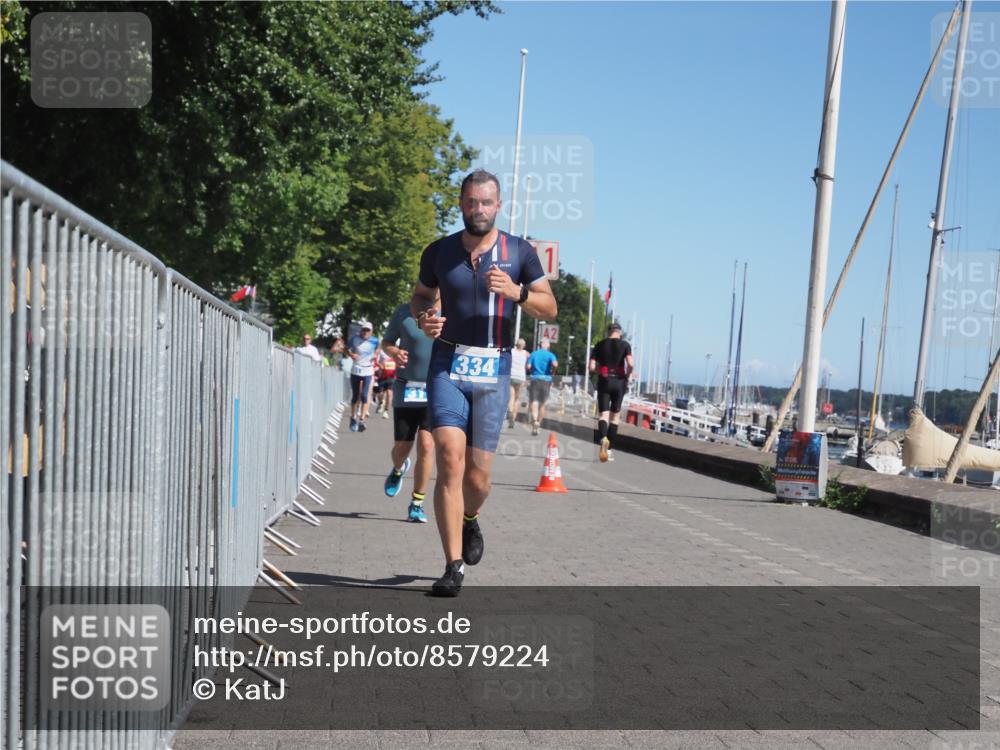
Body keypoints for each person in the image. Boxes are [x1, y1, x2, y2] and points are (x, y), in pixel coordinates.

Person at [410, 169, 557, 596]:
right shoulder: (439, 252)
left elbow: (550, 309)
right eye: (471, 202)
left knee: (479, 479)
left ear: (499, 205)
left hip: (493, 369)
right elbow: (420, 295)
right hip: (448, 363)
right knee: (449, 458)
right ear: (461, 203)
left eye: (486, 202)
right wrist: (424, 319)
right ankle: (452, 566)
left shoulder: (520, 252)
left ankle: (470, 518)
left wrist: (517, 293)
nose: (478, 210)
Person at [379, 302, 435, 522]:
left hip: (435, 388)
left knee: (427, 445)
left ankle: (417, 503)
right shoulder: (403, 311)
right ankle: (398, 467)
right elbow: (387, 343)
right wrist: (394, 352)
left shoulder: (450, 310)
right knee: (401, 449)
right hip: (407, 387)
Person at [589, 322, 634, 462]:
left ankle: (603, 438)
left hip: (604, 380)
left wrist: (599, 371)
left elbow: (591, 367)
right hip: (619, 382)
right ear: (619, 332)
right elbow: (631, 364)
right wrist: (627, 375)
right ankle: (608, 451)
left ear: (609, 332)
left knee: (603, 415)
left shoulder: (599, 345)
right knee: (615, 418)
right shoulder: (625, 345)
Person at [347, 320, 379, 432]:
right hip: (356, 370)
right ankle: (353, 417)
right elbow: (346, 349)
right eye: (364, 329)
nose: (365, 332)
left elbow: (378, 349)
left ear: (371, 331)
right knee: (355, 396)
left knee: (365, 395)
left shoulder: (375, 341)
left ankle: (362, 420)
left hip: (368, 371)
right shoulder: (354, 339)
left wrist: (375, 355)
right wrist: (351, 354)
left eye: (368, 330)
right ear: (361, 330)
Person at [526, 339, 558, 436]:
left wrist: (531, 372)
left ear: (540, 345)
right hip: (546, 379)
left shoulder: (534, 354)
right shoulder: (550, 355)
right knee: (543, 403)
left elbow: (528, 366)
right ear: (547, 345)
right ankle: (538, 424)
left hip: (535, 379)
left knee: (534, 401)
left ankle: (535, 420)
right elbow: (555, 364)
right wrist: (553, 372)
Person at [507, 338, 528, 429]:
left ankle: (510, 411)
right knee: (517, 398)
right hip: (521, 377)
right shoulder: (526, 354)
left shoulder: (511, 352)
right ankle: (514, 417)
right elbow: (529, 365)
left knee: (511, 397)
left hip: (511, 376)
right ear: (523, 345)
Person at [374, 349, 397, 418]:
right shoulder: (381, 352)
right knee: (379, 393)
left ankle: (386, 411)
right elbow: (376, 361)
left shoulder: (396, 352)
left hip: (392, 377)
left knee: (389, 393)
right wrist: (380, 365)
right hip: (382, 376)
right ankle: (381, 402)